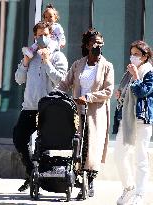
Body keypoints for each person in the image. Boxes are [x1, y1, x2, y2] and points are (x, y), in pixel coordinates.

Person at [56, 28, 114, 198]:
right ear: (88, 45)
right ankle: (78, 178)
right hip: (77, 111)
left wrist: (88, 97)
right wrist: (54, 94)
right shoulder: (78, 64)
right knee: (78, 146)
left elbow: (108, 91)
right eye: (95, 43)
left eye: (101, 43)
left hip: (96, 112)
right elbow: (64, 83)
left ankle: (89, 182)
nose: (98, 46)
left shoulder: (107, 66)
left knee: (92, 147)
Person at [13, 21, 68, 192]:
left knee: (44, 145)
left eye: (45, 34)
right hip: (29, 106)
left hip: (49, 109)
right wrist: (25, 62)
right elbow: (19, 80)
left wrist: (47, 61)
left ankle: (46, 180)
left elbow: (60, 80)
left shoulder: (58, 56)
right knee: (19, 137)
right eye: (38, 35)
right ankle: (31, 171)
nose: (41, 38)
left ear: (51, 35)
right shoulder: (30, 54)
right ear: (34, 36)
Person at [113, 40, 153, 205]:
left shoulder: (149, 72)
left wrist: (137, 76)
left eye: (136, 54)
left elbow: (143, 92)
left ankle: (140, 193)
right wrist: (120, 94)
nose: (133, 57)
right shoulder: (129, 72)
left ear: (144, 57)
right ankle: (128, 187)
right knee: (119, 156)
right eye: (132, 53)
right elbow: (127, 93)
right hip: (127, 119)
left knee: (140, 157)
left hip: (142, 119)